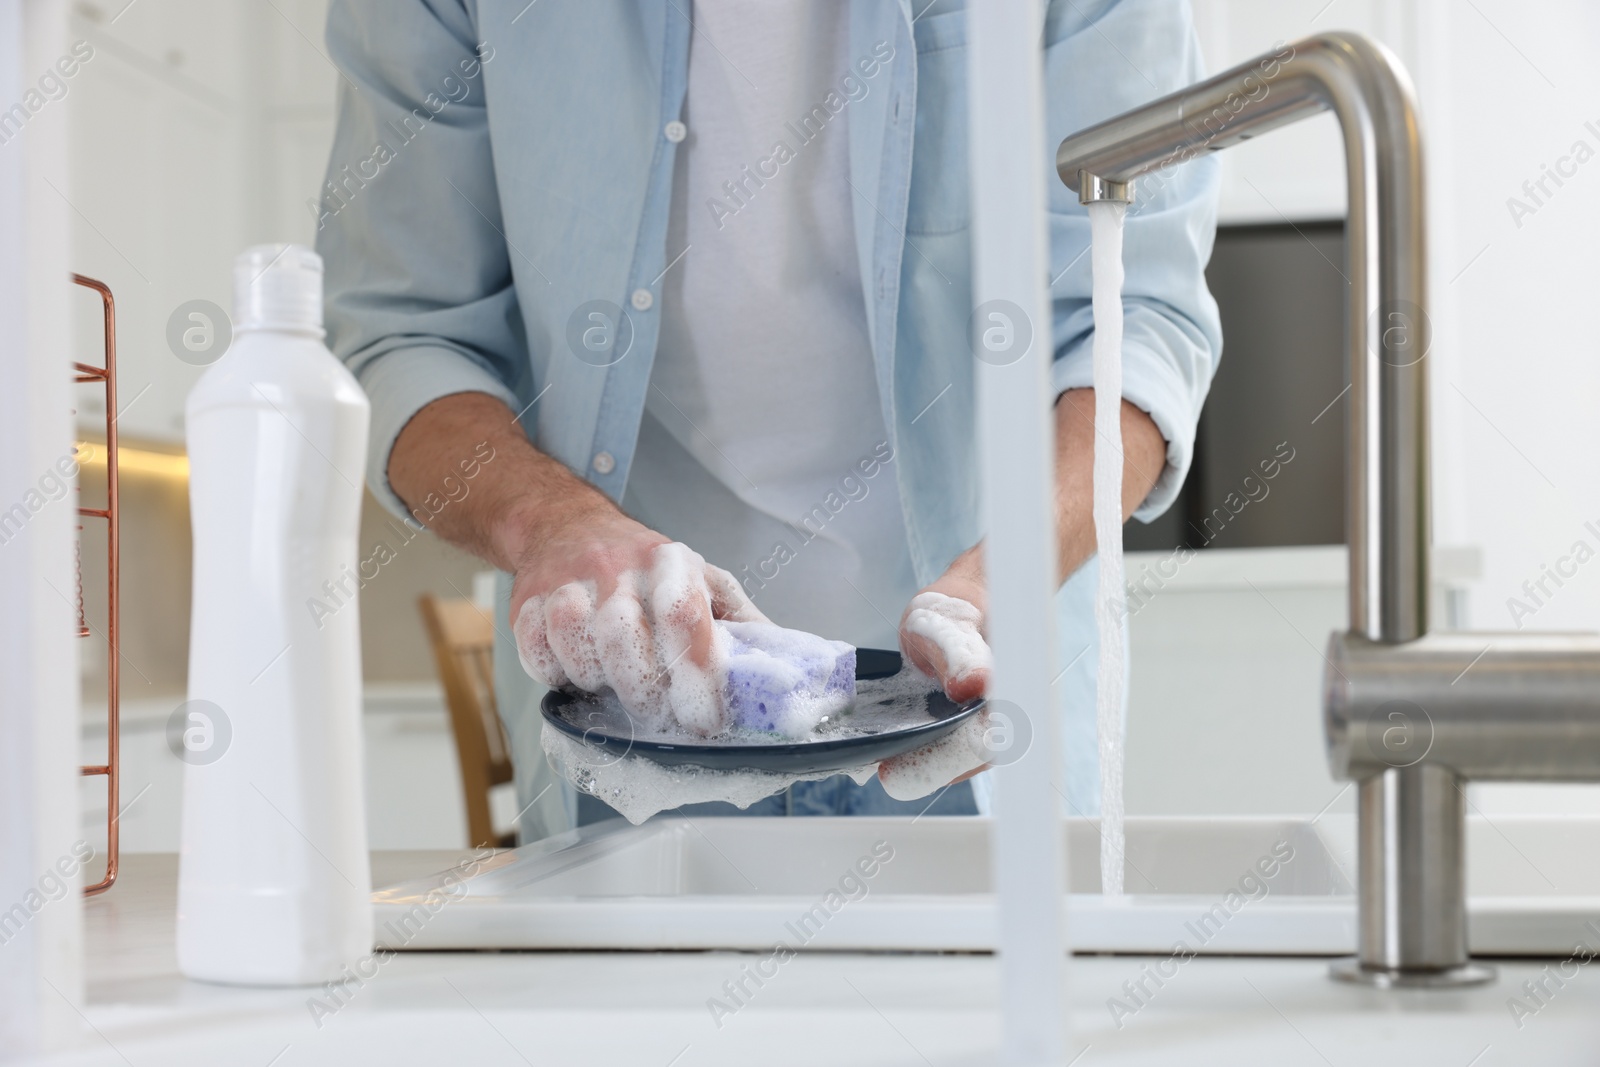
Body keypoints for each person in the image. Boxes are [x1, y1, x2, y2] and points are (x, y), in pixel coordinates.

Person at [315, 0, 1221, 838]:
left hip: (977, 733)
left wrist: (1007, 576)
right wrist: (553, 523)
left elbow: (1136, 314)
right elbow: (402, 325)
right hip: (633, 739)